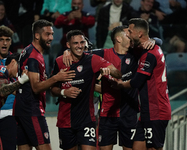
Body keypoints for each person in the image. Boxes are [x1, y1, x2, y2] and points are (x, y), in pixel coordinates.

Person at [50, 30, 122, 150]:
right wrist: (64, 92)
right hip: (65, 121)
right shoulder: (59, 61)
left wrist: (109, 70)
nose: (79, 46)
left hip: (86, 120)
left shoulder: (93, 60)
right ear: (68, 45)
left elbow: (118, 74)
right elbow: (53, 90)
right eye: (75, 43)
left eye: (82, 42)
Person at [13, 19, 76, 150]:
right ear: (37, 35)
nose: (51, 38)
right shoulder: (34, 57)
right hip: (32, 109)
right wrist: (56, 78)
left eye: (52, 34)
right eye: (47, 34)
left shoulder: (28, 51)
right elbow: (35, 87)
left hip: (21, 108)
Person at [117, 18, 171, 150]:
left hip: (156, 110)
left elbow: (136, 82)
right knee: (136, 147)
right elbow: (156, 41)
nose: (127, 34)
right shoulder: (148, 48)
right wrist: (156, 39)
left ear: (139, 33)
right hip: (147, 111)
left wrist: (120, 85)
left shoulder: (149, 54)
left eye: (130, 31)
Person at [0, 53, 29, 150]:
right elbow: (2, 91)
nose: (20, 70)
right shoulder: (1, 69)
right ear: (13, 62)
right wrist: (21, 81)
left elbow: (16, 91)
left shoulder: (8, 79)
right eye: (20, 66)